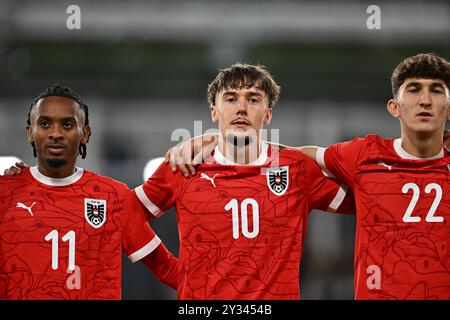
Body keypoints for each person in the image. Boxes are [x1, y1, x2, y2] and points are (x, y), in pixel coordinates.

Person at [170, 53, 450, 300]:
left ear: (448, 107)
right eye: (414, 90)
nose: (425, 100)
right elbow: (295, 156)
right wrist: (220, 140)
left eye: (436, 91)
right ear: (394, 107)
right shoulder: (363, 155)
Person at [132, 64, 354, 299]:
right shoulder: (184, 166)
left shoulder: (296, 169)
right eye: (230, 99)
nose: (241, 108)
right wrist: (170, 270)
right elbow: (123, 214)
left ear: (268, 114)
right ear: (214, 112)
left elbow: (367, 201)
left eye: (253, 99)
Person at [0, 84, 178, 299]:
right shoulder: (6, 193)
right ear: (30, 132)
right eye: (45, 124)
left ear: (85, 134)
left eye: (67, 124)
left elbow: (168, 269)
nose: (55, 133)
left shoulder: (114, 197)